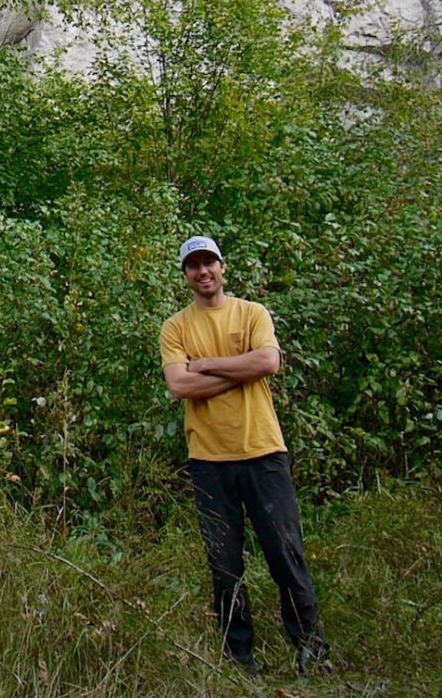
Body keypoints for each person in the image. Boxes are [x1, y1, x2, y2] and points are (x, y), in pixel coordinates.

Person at [159, 235, 329, 677]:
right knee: (224, 563)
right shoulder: (175, 327)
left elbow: (268, 363)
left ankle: (310, 648)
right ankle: (240, 658)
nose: (203, 272)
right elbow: (179, 386)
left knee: (284, 554)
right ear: (186, 275)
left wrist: (206, 365)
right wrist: (239, 367)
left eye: (209, 263)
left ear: (222, 267)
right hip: (209, 461)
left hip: (263, 452)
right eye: (194, 265)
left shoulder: (252, 313)